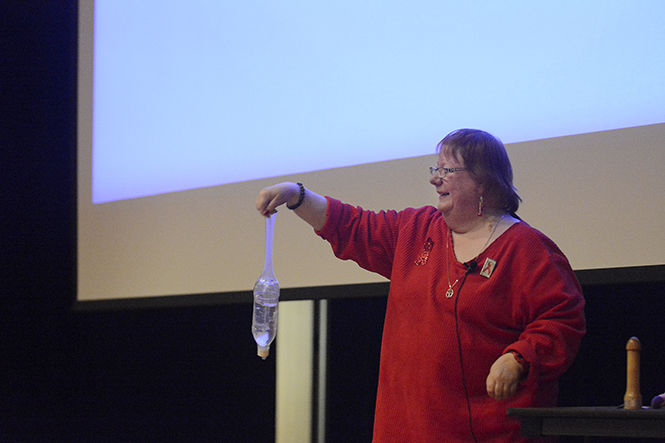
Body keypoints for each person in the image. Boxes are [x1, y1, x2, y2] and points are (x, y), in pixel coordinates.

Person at [256, 128, 586, 442]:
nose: (434, 178)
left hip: (490, 432)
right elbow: (352, 225)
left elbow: (562, 320)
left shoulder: (527, 248)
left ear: (483, 182)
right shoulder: (416, 230)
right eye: (435, 168)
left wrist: (518, 358)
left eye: (448, 170)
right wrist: (296, 195)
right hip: (407, 429)